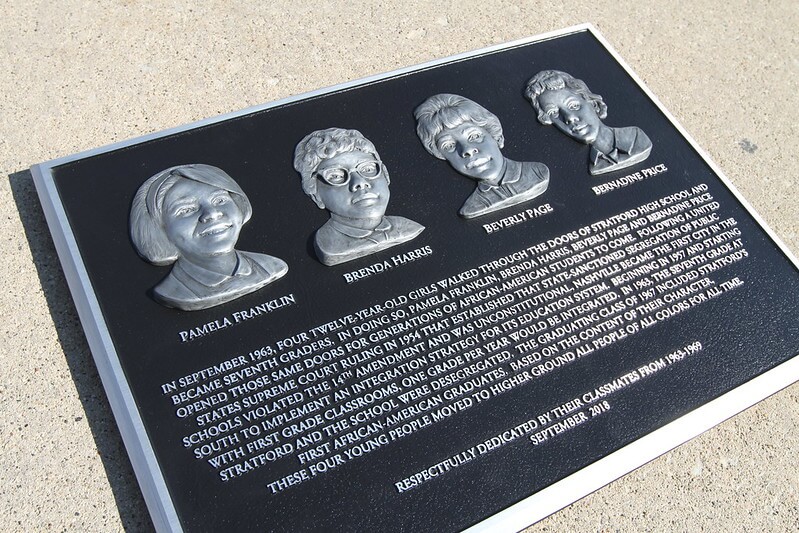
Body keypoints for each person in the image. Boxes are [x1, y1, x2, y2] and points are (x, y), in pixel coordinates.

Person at [129, 164, 288, 311]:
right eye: (186, 210)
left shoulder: (270, 266)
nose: (212, 214)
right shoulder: (174, 292)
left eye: (219, 200)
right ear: (160, 229)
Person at [294, 128, 424, 266]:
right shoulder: (329, 246)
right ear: (315, 194)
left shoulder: (409, 227)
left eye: (368, 169)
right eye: (336, 176)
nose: (360, 183)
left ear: (386, 175)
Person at [414, 93, 549, 219]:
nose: (467, 150)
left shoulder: (537, 173)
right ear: (441, 156)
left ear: (497, 137)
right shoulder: (472, 207)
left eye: (474, 136)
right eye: (448, 146)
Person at [524, 70, 652, 176]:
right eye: (553, 113)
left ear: (593, 103)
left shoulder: (636, 139)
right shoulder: (590, 165)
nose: (569, 118)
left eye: (573, 106)